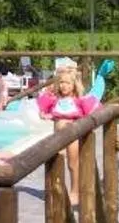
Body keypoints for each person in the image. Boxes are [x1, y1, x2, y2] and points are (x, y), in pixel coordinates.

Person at [36, 58, 90, 207]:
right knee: (56, 162)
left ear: (74, 85)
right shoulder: (56, 100)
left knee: (73, 164)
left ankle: (75, 191)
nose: (64, 86)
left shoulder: (77, 100)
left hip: (72, 135)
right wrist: (44, 114)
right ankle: (57, 189)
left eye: (67, 83)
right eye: (61, 82)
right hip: (57, 135)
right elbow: (48, 111)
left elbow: (85, 114)